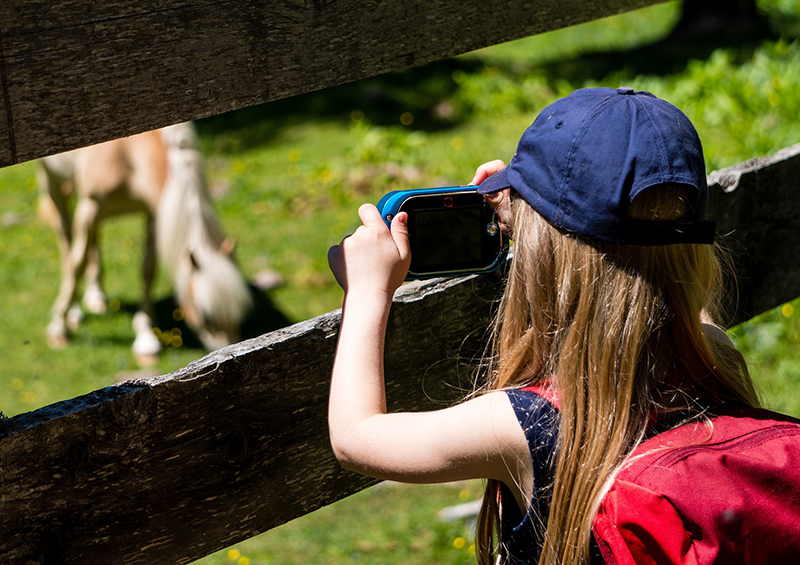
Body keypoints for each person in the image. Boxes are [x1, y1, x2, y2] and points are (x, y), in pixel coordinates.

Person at [327, 87, 798, 564]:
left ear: (538, 251)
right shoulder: (713, 354)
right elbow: (670, 281)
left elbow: (356, 437)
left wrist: (367, 292)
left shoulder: (525, 424)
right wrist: (537, 209)